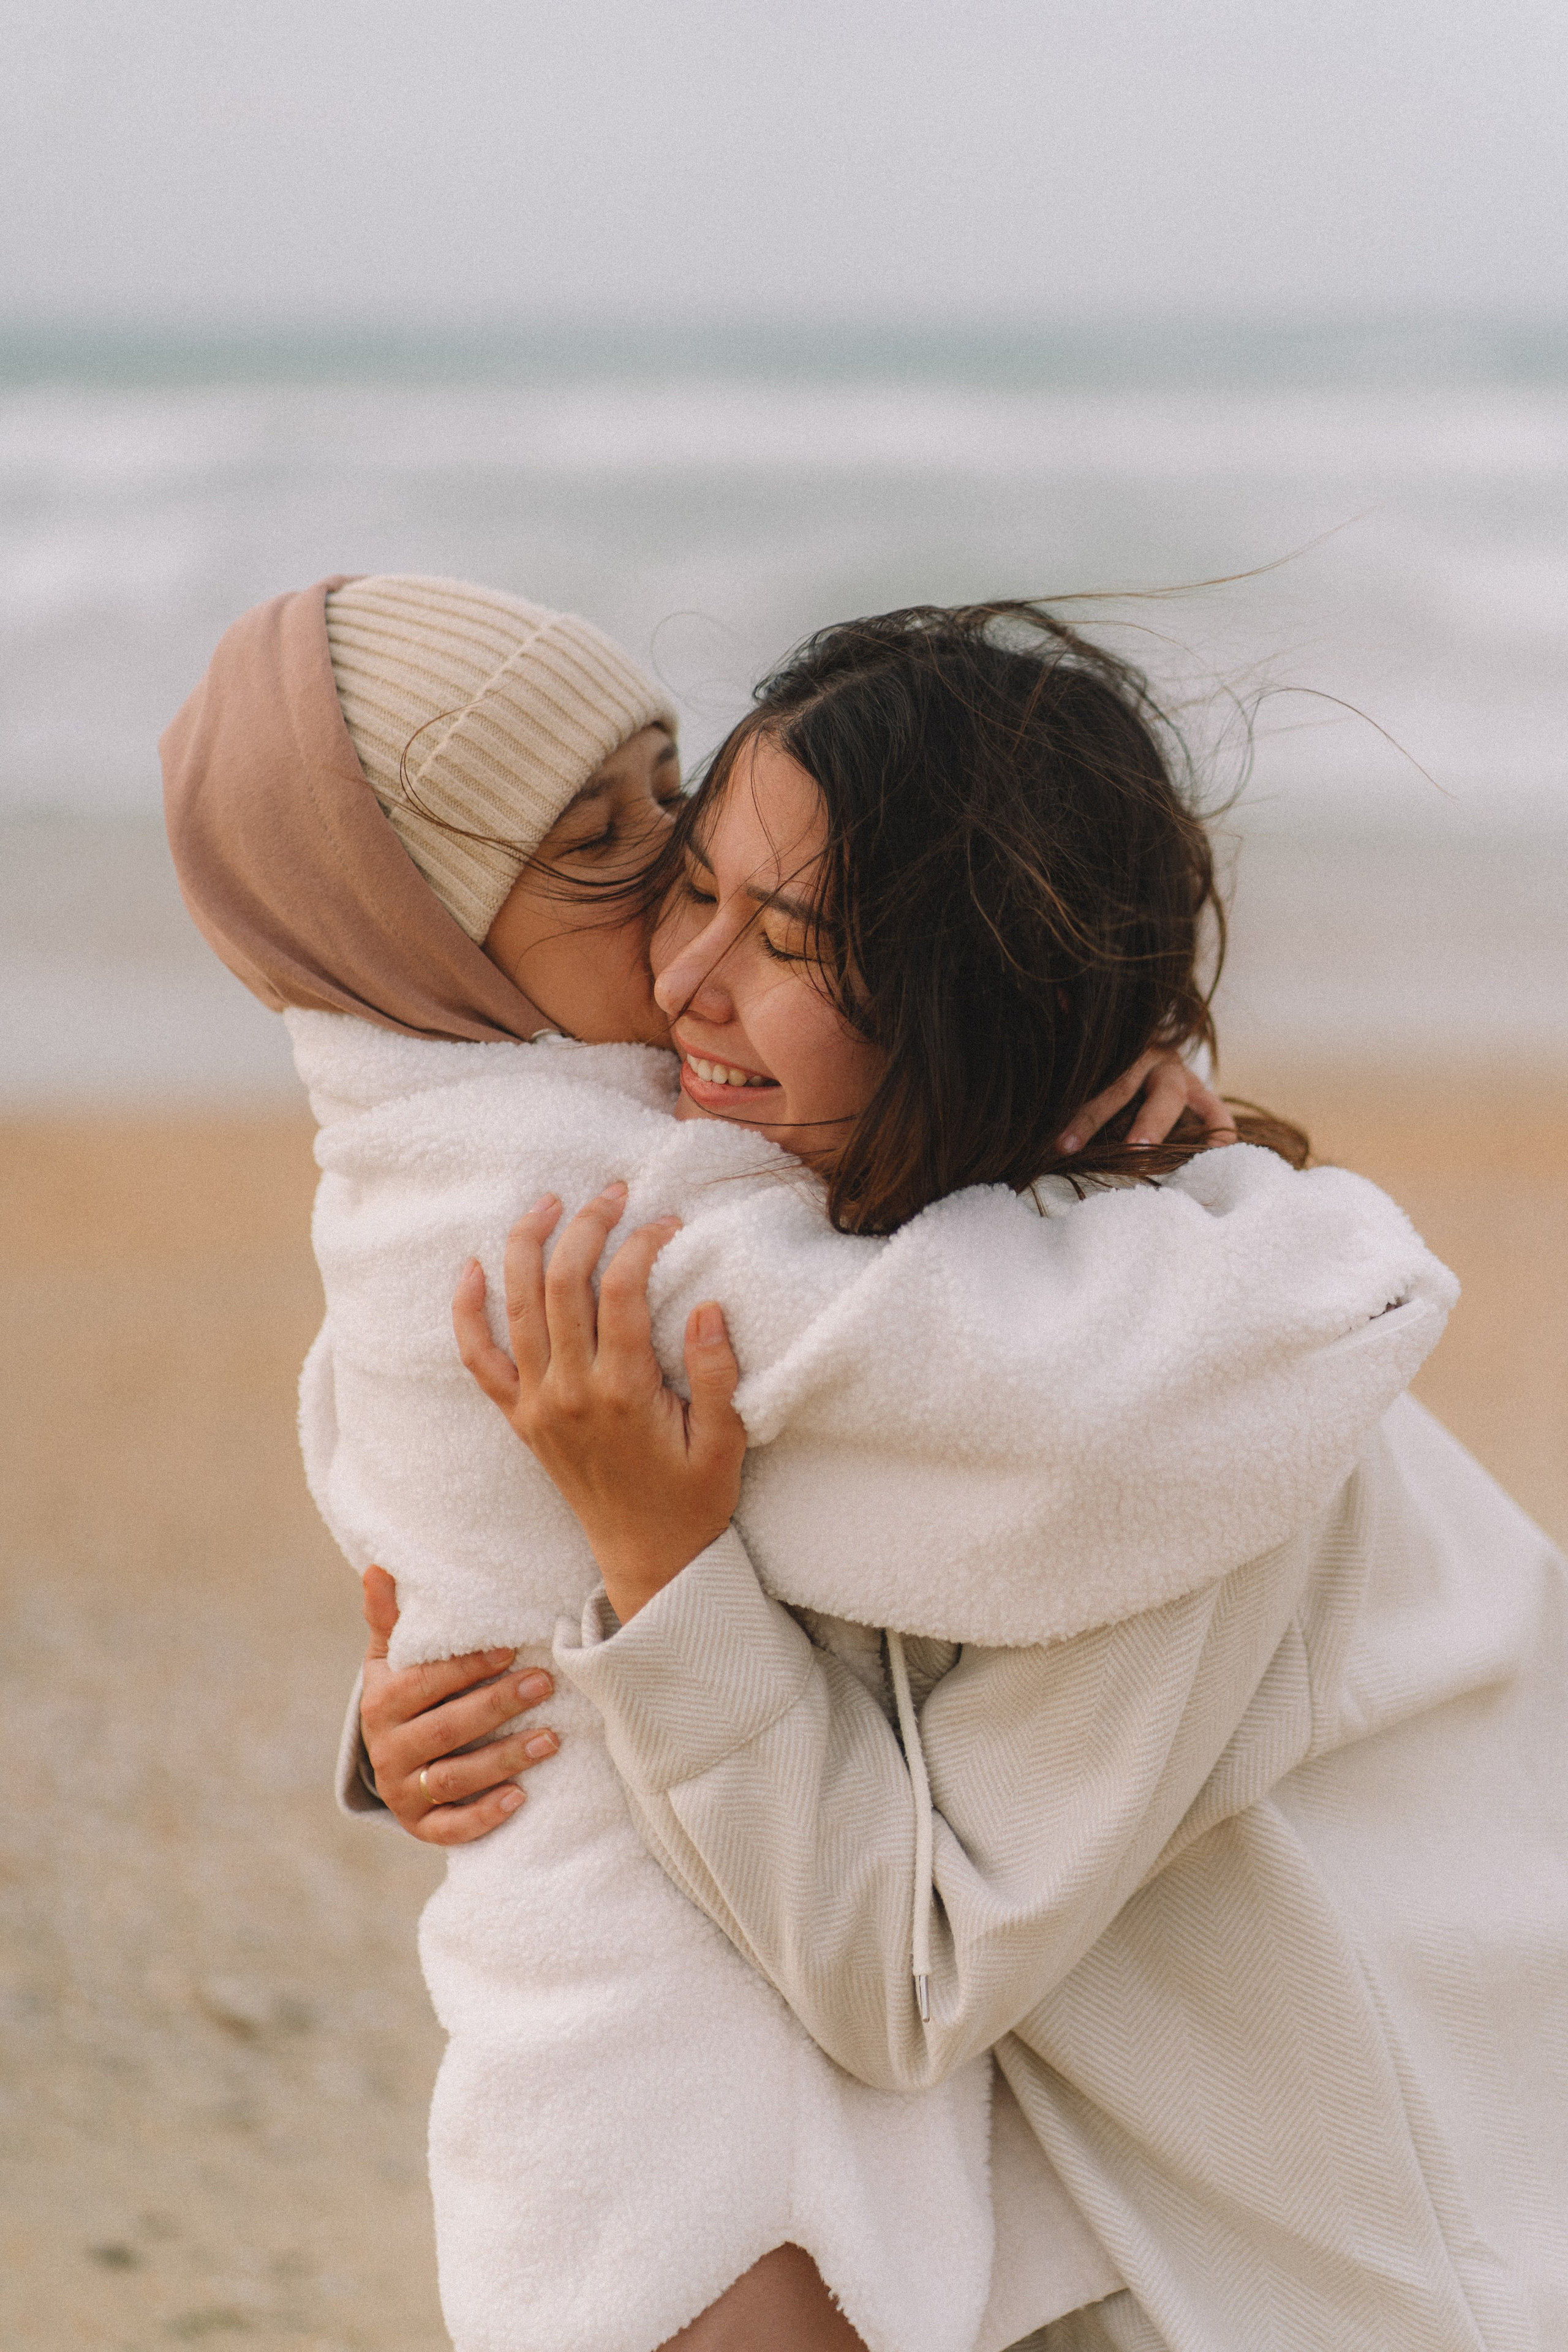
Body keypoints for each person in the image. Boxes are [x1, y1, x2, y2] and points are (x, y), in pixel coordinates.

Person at [384, 601, 1568, 2350]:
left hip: (1407, 2259)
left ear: (976, 1002)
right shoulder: (929, 1289)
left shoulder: (1147, 1401)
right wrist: (457, 1700)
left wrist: (658, 1565)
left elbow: (904, 1976)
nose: (685, 983)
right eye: (690, 886)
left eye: (787, 938)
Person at [165, 574, 1288, 2352]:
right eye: (593, 850)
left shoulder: (447, 1125)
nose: (671, 893)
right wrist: (1254, 1231)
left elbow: (388, 1480)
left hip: (693, 1982)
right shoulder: (554, 1191)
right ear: (423, 931)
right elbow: (978, 1372)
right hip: (678, 2062)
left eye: (669, 797)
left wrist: (416, 1686)